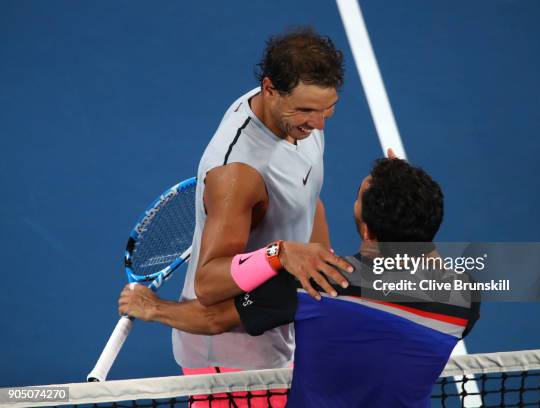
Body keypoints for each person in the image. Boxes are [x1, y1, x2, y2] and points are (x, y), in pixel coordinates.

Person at [120, 157, 480, 407]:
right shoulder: (464, 297)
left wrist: (153, 307)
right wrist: (410, 205)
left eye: (359, 198)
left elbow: (213, 318)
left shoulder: (314, 283)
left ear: (366, 229)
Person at [170, 27, 352, 407]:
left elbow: (307, 198)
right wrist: (279, 254)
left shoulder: (298, 122)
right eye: (306, 110)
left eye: (327, 108)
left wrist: (322, 280)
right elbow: (208, 282)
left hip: (277, 329)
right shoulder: (238, 173)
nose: (318, 123)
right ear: (270, 89)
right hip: (233, 361)